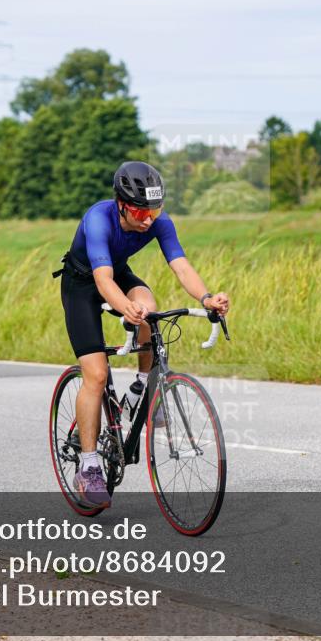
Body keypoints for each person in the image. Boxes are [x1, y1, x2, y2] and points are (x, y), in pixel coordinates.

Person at [56, 161, 230, 508]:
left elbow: (180, 265)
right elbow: (102, 281)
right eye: (140, 211)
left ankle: (142, 389)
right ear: (121, 204)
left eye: (155, 209)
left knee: (149, 309)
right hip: (82, 284)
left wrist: (207, 298)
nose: (149, 218)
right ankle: (89, 467)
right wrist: (123, 307)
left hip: (118, 274)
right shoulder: (98, 219)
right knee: (97, 374)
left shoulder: (158, 221)